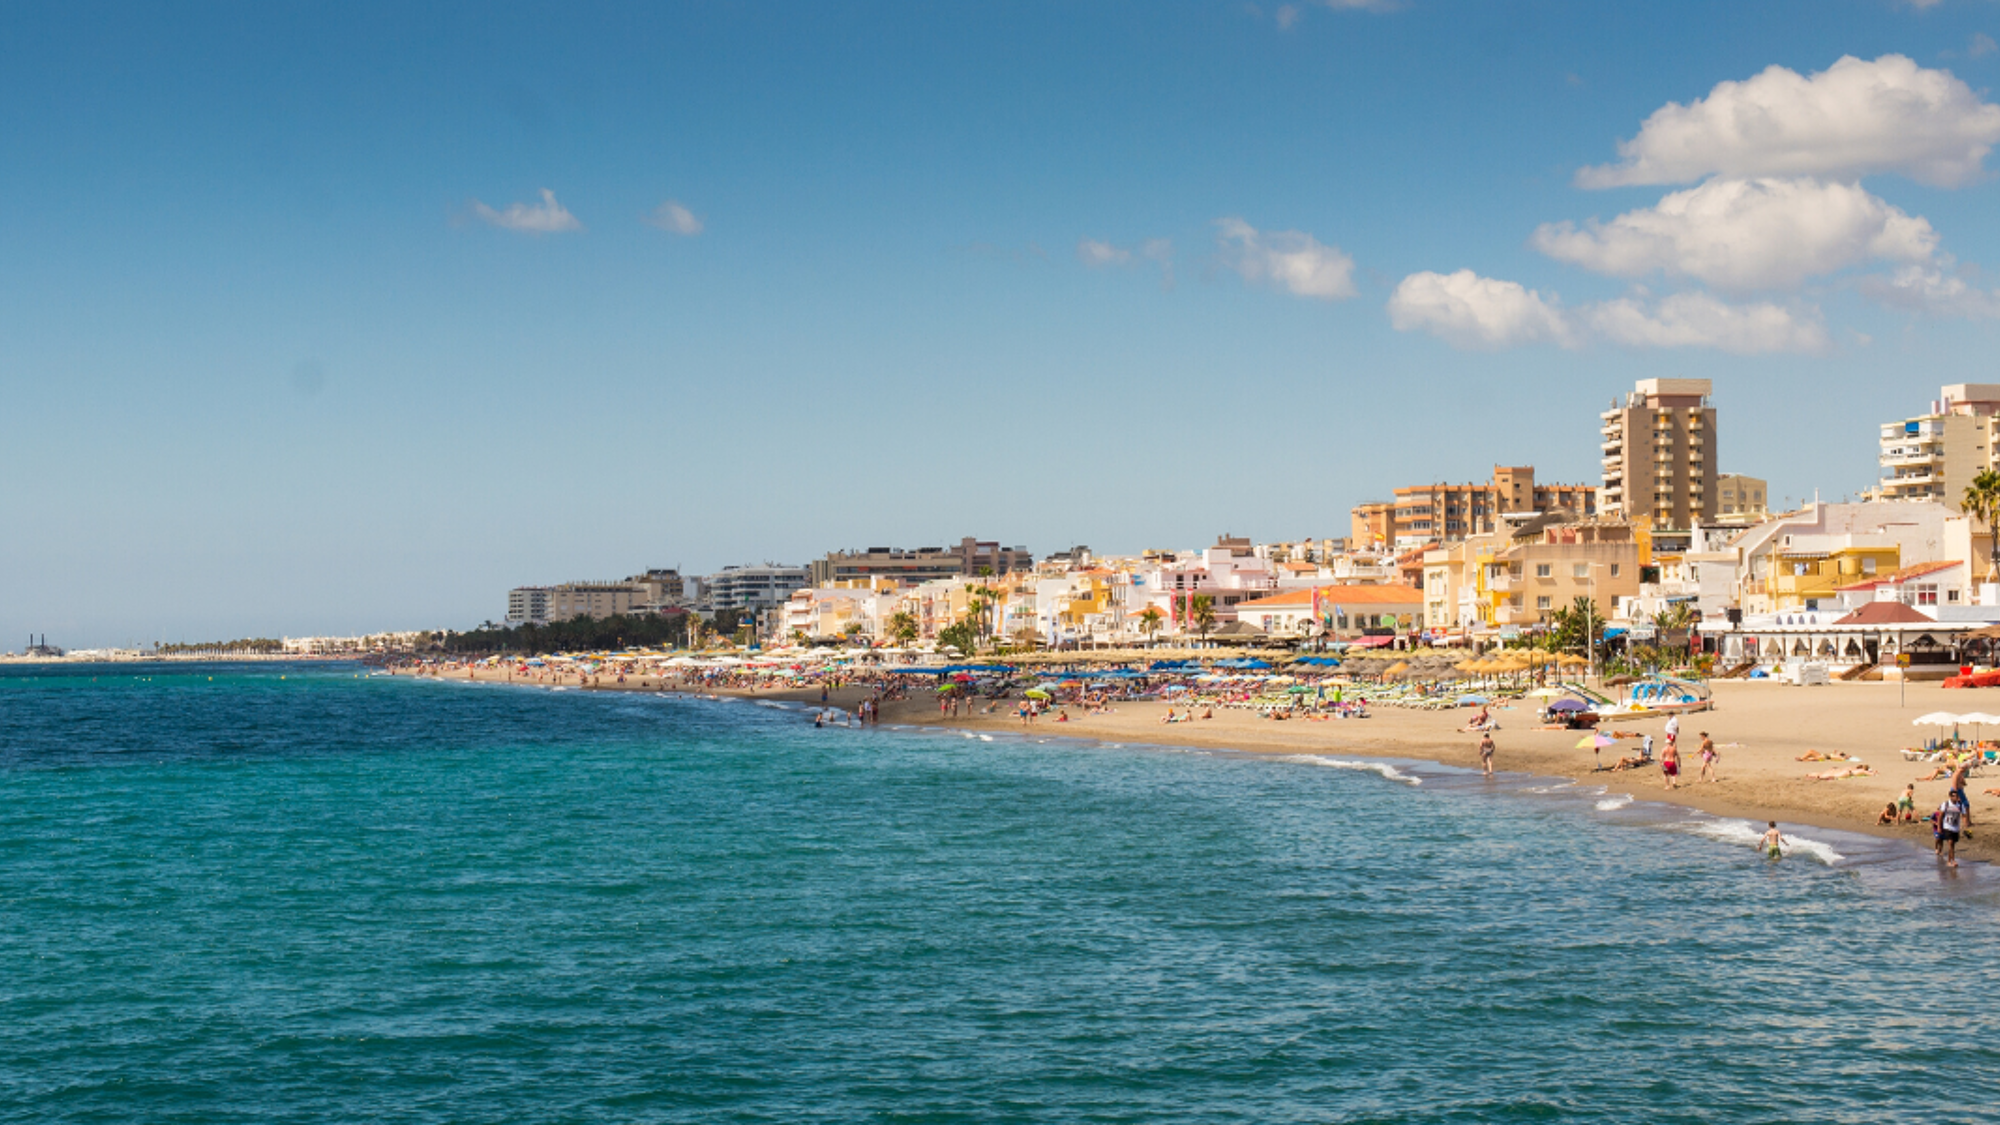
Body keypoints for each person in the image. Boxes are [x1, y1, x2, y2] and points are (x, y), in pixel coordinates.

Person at [1937, 786, 1970, 868]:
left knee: (1952, 846)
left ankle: (1949, 861)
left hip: (1956, 827)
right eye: (1954, 796)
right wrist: (1939, 827)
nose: (1956, 798)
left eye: (1957, 796)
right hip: (1947, 826)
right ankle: (1953, 860)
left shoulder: (1960, 805)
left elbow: (1963, 815)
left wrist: (1965, 825)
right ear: (1950, 796)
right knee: (1950, 843)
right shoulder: (1946, 804)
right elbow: (1940, 816)